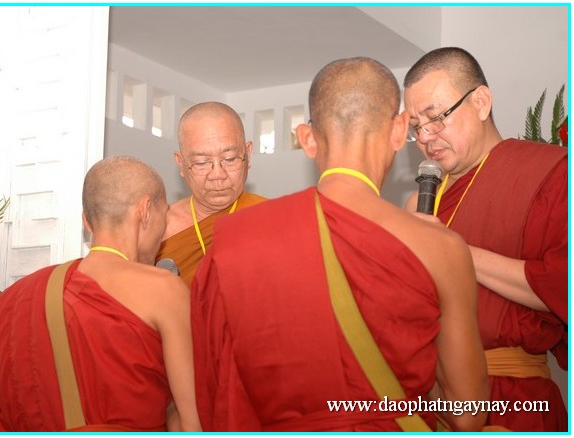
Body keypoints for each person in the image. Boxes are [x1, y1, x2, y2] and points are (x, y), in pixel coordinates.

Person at [190, 57, 489, 432]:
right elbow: (468, 412)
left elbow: (216, 392)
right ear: (400, 130)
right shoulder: (440, 247)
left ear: (306, 139)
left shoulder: (236, 240)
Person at [0, 156, 201, 432]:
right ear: (145, 211)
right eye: (165, 214)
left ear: (86, 221)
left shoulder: (14, 299)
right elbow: (192, 422)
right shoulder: (164, 289)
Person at [403, 47, 568, 432]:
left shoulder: (549, 173)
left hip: (513, 399)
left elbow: (562, 283)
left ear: (480, 102)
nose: (426, 136)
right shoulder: (424, 199)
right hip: (431, 400)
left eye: (435, 117)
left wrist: (451, 249)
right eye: (415, 126)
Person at [156, 102, 266, 287]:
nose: (217, 175)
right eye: (201, 163)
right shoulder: (158, 228)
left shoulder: (271, 218)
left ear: (248, 154)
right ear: (181, 163)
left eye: (230, 159)